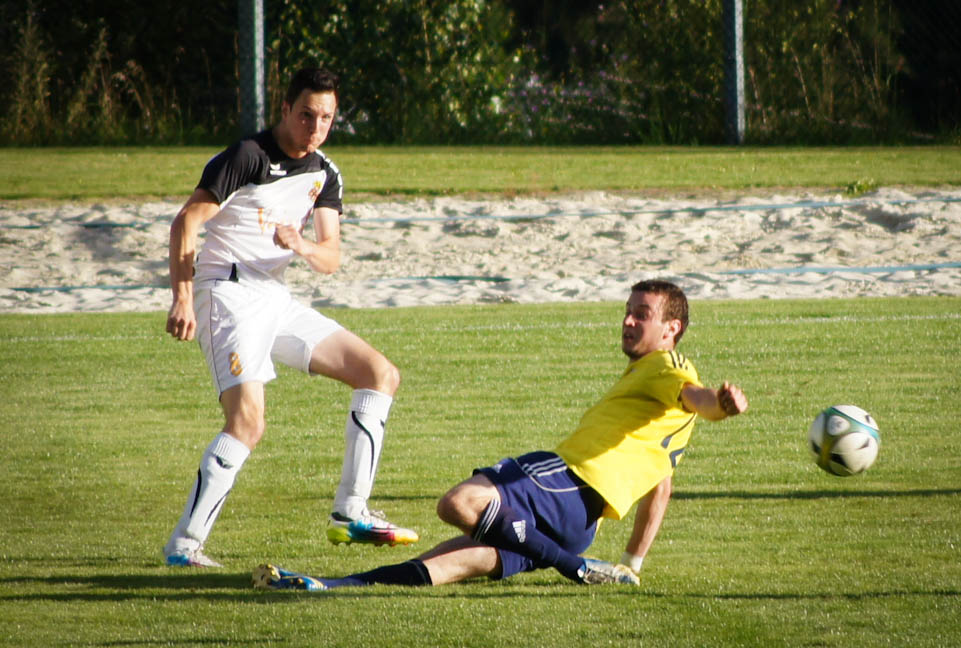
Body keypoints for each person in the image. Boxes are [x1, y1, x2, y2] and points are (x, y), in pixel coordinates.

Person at [252, 279, 748, 589]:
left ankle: (574, 568)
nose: (627, 320)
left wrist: (719, 406)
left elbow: (696, 397)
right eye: (628, 309)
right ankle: (330, 585)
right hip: (581, 527)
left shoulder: (667, 367)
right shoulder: (663, 414)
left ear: (672, 329)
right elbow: (661, 484)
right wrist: (632, 562)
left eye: (642, 314)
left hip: (562, 482)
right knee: (452, 561)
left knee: (458, 504)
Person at [162, 67, 417, 568]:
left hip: (275, 297)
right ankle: (184, 547)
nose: (315, 127)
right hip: (226, 293)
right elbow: (186, 222)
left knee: (379, 374)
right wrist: (183, 298)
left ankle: (351, 512)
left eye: (326, 118)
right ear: (285, 109)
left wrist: (302, 245)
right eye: (306, 115)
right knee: (247, 422)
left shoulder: (325, 173)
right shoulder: (247, 157)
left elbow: (330, 257)